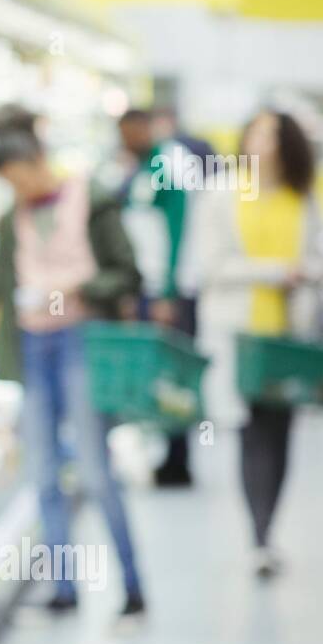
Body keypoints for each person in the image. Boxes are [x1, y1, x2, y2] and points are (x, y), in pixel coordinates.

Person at [0, 112, 146, 618]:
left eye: (19, 178)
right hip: (34, 348)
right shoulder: (14, 221)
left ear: (36, 161)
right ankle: (63, 588)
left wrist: (75, 289)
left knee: (96, 472)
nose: (18, 190)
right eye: (8, 185)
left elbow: (127, 274)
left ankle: (132, 585)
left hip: (82, 342)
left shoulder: (91, 202)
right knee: (44, 474)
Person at [193, 110, 319, 579]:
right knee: (250, 434)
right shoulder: (224, 194)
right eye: (256, 132)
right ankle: (258, 537)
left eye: (272, 133)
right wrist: (273, 272)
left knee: (281, 432)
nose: (263, 142)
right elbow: (209, 266)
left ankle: (269, 527)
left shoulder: (299, 197)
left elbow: (311, 256)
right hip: (238, 334)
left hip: (287, 336)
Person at [117, 107, 200, 486]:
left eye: (132, 132)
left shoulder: (166, 166)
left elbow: (176, 230)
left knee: (174, 376)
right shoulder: (139, 168)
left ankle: (178, 461)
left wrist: (168, 292)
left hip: (168, 292)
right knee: (155, 375)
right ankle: (163, 455)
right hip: (147, 288)